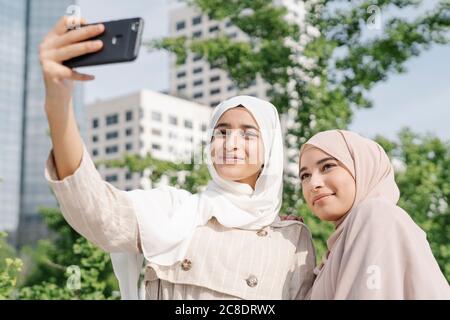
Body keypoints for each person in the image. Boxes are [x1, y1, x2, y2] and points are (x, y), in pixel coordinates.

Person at [41, 16, 316, 300]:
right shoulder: (175, 210)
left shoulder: (292, 238)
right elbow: (98, 213)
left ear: (269, 153)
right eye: (221, 132)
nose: (231, 143)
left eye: (248, 134)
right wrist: (58, 104)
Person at [298, 129, 450, 299]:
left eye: (327, 166)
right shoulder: (338, 249)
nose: (313, 184)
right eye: (305, 175)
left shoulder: (375, 215)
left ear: (363, 167)